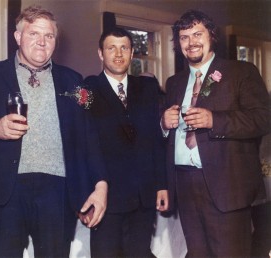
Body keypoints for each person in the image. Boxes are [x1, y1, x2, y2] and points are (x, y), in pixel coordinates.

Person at [0, 5, 108, 258]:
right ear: (18, 37)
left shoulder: (75, 82)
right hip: (3, 192)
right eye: (34, 34)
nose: (42, 42)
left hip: (57, 192)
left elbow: (91, 135)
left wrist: (100, 186)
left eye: (49, 36)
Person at [161, 10, 271, 257]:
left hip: (227, 186)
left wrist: (215, 121)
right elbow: (162, 138)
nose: (191, 43)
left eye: (197, 34)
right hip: (185, 185)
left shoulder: (241, 72)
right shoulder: (174, 83)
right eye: (184, 37)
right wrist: (163, 124)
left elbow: (263, 119)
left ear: (212, 36)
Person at [83, 27, 169, 257]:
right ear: (101, 54)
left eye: (125, 48)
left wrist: (162, 184)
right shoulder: (86, 89)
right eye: (112, 48)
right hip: (106, 198)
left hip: (143, 197)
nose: (119, 54)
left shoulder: (148, 88)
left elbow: (156, 140)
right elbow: (83, 144)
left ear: (132, 54)